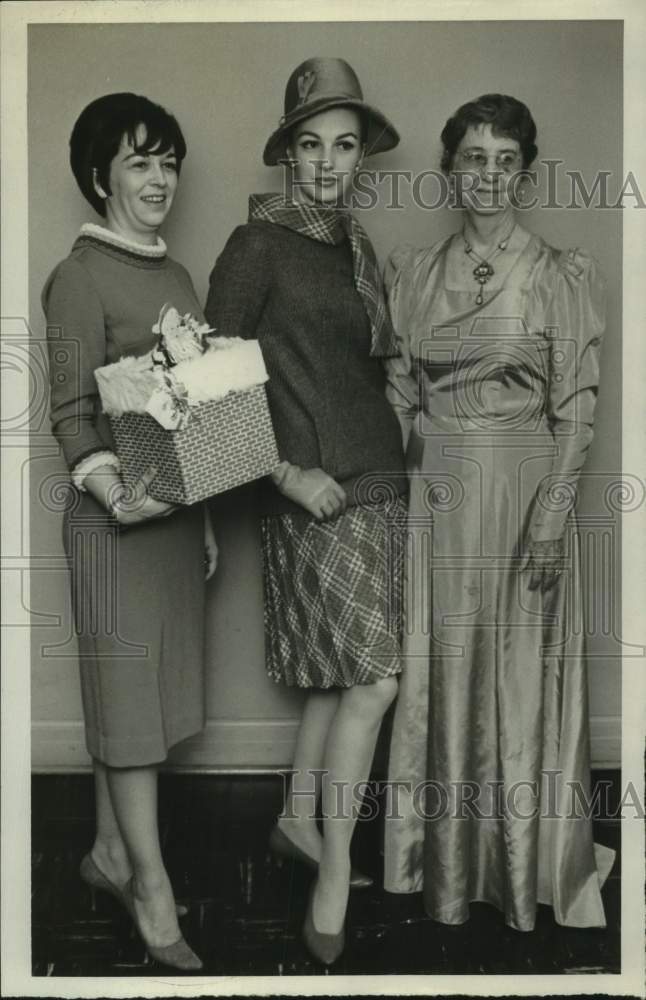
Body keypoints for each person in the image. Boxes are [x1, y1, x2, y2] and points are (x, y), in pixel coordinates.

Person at [383, 93, 615, 931]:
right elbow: (400, 387)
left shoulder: (557, 274)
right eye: (473, 157)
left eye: (504, 159)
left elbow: (577, 410)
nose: (488, 174)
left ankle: (522, 866)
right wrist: (433, 460)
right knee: (443, 676)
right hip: (442, 503)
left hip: (524, 499)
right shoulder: (416, 272)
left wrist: (550, 519)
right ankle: (445, 867)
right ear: (450, 168)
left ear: (524, 169)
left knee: (516, 683)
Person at [205, 57, 407, 964]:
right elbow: (211, 388)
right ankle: (333, 875)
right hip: (313, 493)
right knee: (376, 683)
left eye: (345, 145)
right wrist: (286, 478)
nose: (328, 163)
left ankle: (297, 818)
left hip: (379, 482)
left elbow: (368, 372)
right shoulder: (258, 245)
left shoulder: (356, 245)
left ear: (361, 154)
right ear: (287, 151)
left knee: (339, 677)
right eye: (311, 144)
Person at [42, 92, 216, 970]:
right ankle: (151, 890)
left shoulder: (177, 277)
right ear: (99, 174)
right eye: (140, 161)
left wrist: (207, 510)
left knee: (137, 713)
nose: (159, 178)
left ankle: (110, 854)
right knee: (130, 714)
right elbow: (70, 414)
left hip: (176, 527)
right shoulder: (78, 276)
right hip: (116, 532)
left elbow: (198, 416)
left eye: (168, 160)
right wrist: (116, 498)